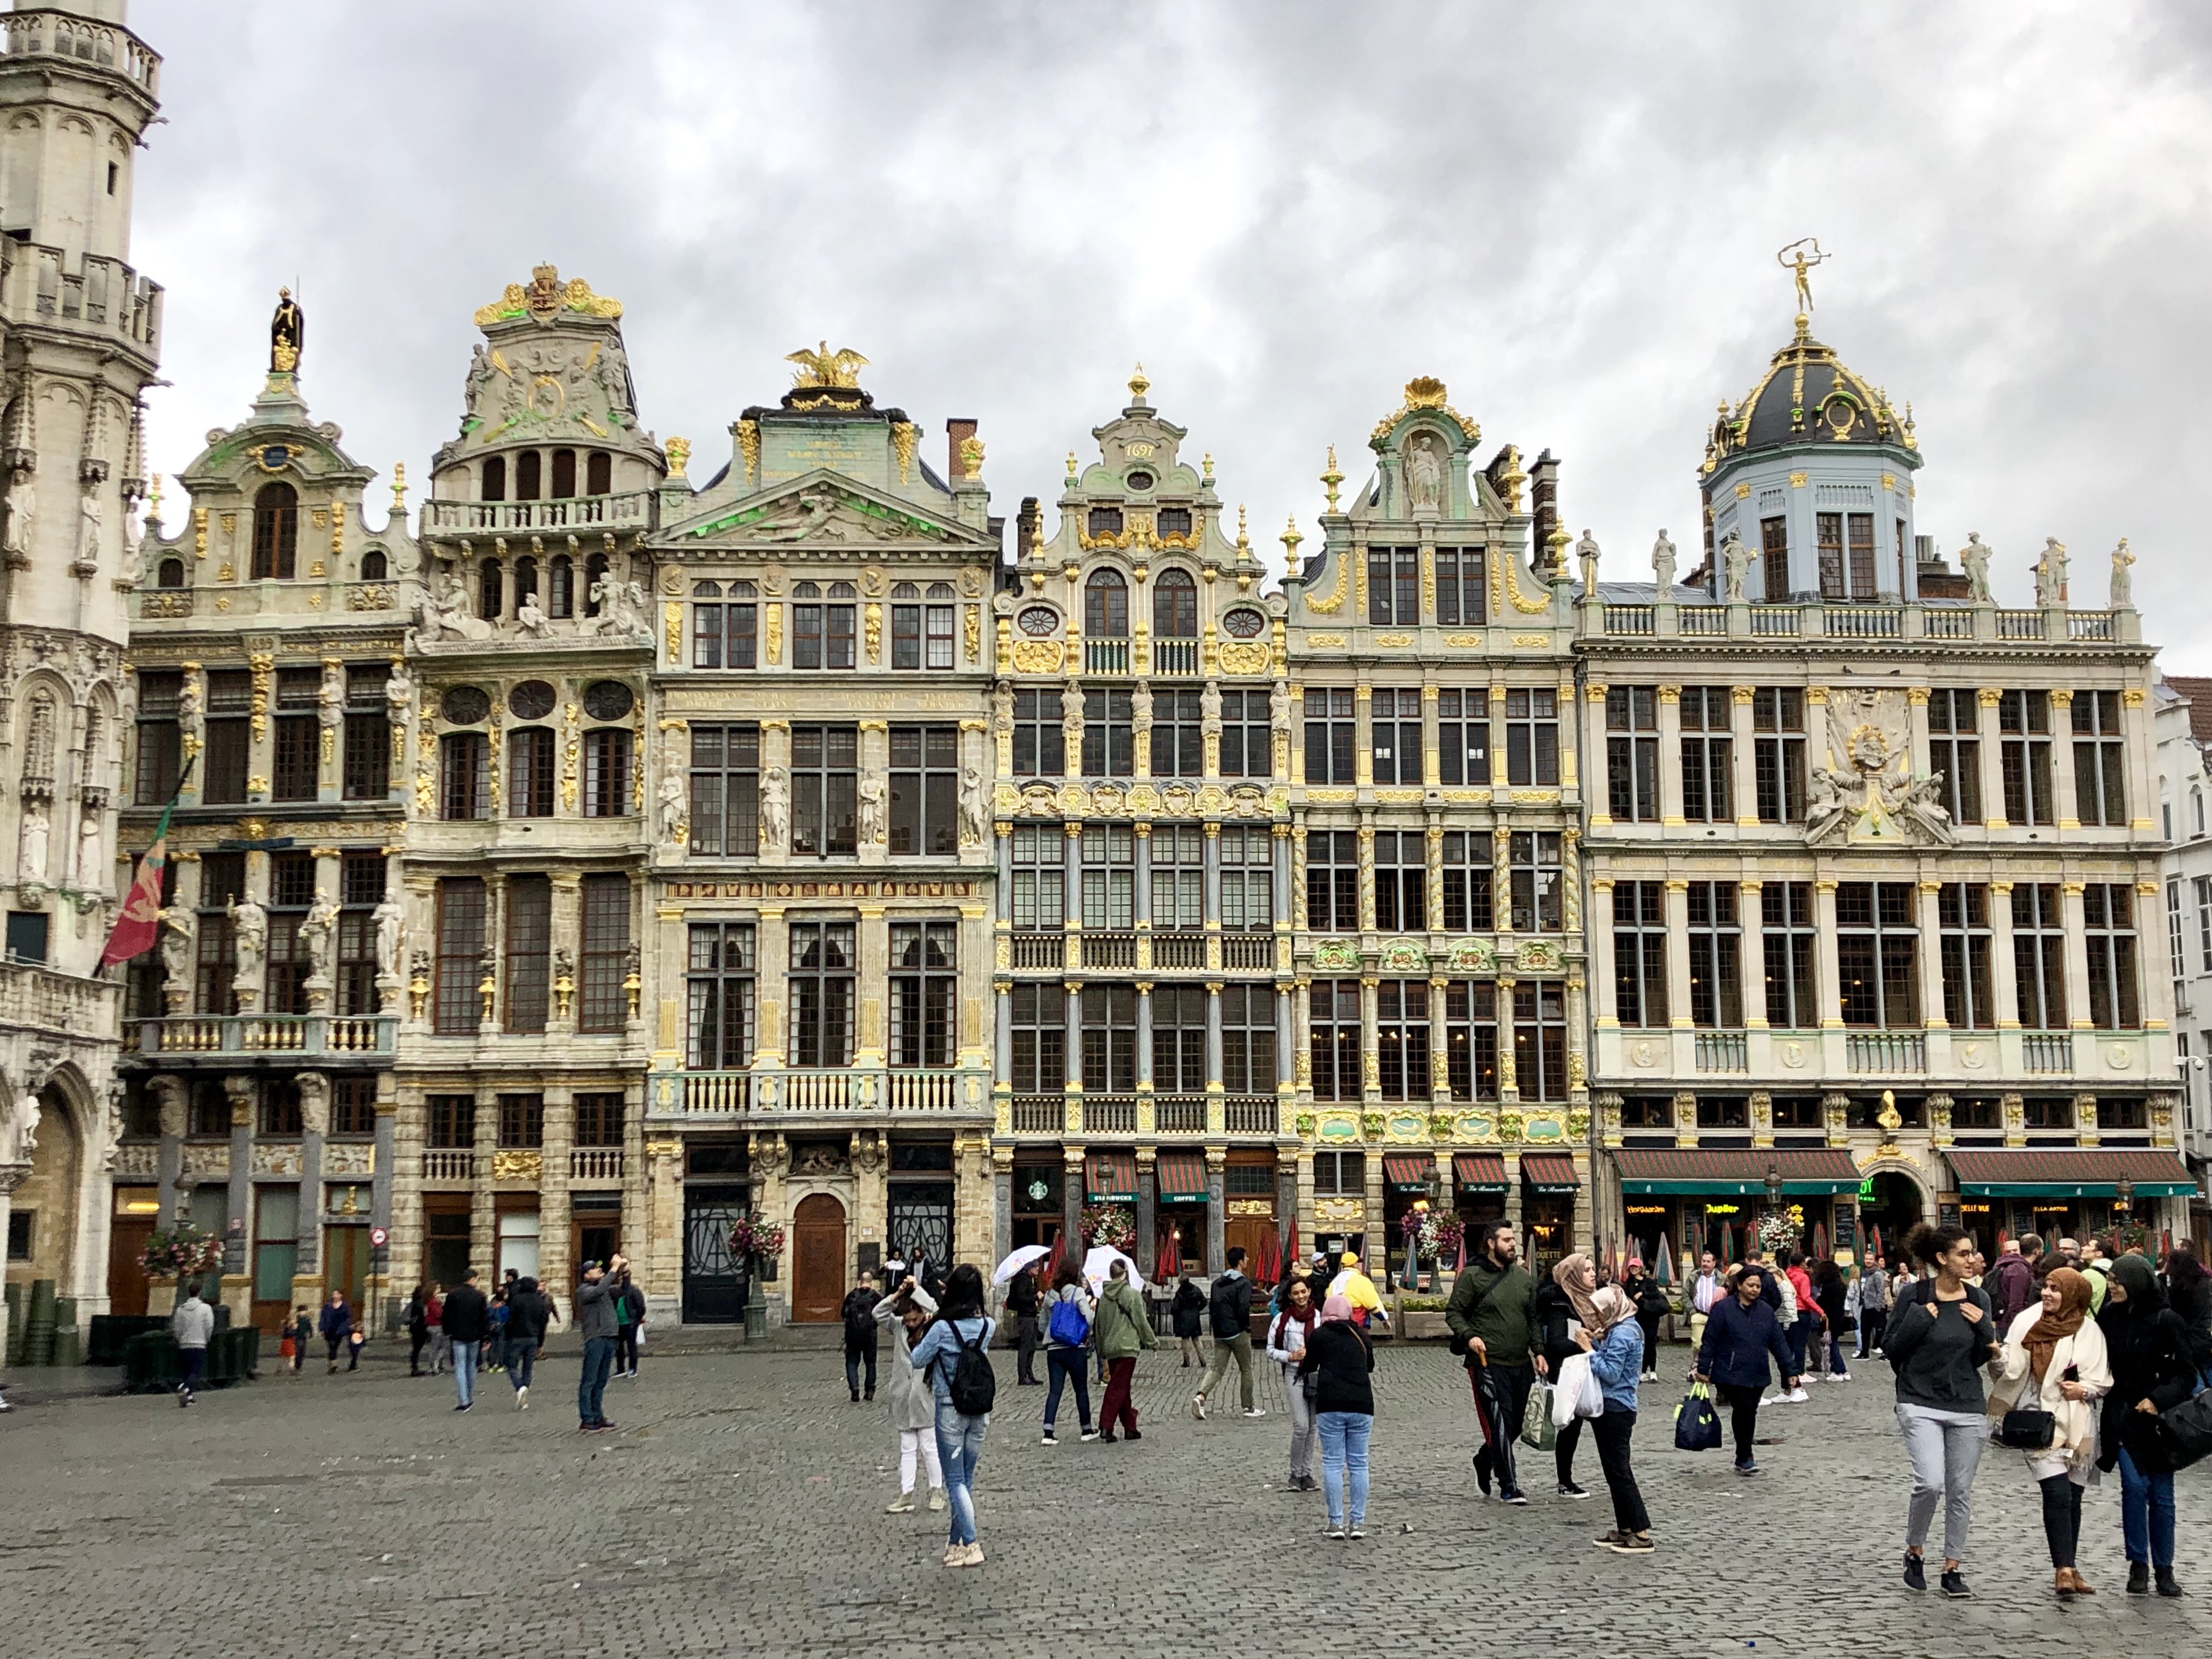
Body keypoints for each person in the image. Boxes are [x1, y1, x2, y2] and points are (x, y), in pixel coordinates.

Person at [1887, 1223, 2000, 1598]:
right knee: (1930, 1482)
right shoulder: (1914, 1294)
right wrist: (1919, 1320)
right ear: (1942, 1258)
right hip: (1919, 1400)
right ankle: (1915, 1550)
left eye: (1972, 1253)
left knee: (1960, 1490)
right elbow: (1892, 1348)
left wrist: (1985, 1329)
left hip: (1966, 1403)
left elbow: (1983, 1356)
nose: (1972, 1260)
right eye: (1963, 1254)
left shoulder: (1978, 1298)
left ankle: (1952, 1567)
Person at [1988, 1266, 2110, 1598]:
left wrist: (2084, 1389)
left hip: (2079, 1423)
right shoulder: (2027, 1321)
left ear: (2072, 1295)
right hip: (2039, 1420)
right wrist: (1997, 1356)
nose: (2047, 1293)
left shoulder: (2089, 1331)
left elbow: (2100, 1379)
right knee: (2056, 1493)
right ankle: (2062, 1569)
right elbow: (2011, 1367)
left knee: (2074, 1498)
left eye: (2056, 1289)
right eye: (2046, 1287)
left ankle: (2070, 1565)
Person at [2097, 1252, 2196, 1597]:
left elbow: (2186, 1374)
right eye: (2110, 1280)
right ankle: (2138, 1563)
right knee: (2135, 1489)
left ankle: (2165, 1569)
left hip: (2158, 1421)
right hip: (2123, 1415)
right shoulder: (2109, 1316)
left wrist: (2157, 1399)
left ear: (2136, 1283)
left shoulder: (2167, 1320)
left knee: (2162, 1497)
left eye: (2118, 1281)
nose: (2112, 1287)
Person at [908, 1263, 996, 1568]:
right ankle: (955, 1544)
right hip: (979, 1410)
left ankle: (971, 1543)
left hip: (950, 1409)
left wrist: (925, 1330)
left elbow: (917, 1360)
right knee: (965, 1481)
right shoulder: (988, 1326)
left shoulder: (943, 1329)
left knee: (955, 1480)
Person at [1446, 1221, 1538, 1504]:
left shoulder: (1523, 1277)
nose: (1513, 1244)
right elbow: (1454, 1312)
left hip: (1521, 1363)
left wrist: (1540, 1351)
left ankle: (1484, 1459)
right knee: (1500, 1422)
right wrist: (1469, 1335)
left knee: (1516, 1424)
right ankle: (1509, 1485)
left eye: (1514, 1239)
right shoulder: (1472, 1276)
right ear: (1491, 1244)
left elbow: (1533, 1318)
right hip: (1487, 1362)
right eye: (1507, 1240)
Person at [1696, 1265, 1798, 1475]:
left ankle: (1743, 1453)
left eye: (1758, 1286)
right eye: (1751, 1285)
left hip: (1758, 1371)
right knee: (1743, 1410)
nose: (1755, 1289)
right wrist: (1703, 1368)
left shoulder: (1766, 1311)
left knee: (1750, 1411)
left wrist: (1789, 1371)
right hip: (1731, 1371)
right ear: (1740, 1285)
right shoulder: (1723, 1309)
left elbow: (1778, 1343)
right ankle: (1745, 1456)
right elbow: (1710, 1340)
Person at [1579, 1283, 1653, 1553]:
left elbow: (1611, 1373)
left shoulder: (1623, 1333)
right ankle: (1626, 1528)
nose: (1598, 1317)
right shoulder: (1622, 1328)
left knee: (1620, 1472)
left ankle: (1641, 1533)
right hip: (1615, 1406)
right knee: (1614, 1472)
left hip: (1616, 1408)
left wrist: (1588, 1350)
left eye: (1601, 1311)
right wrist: (1597, 1342)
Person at [1296, 1294, 1375, 1540]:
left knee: (1332, 1463)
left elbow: (1309, 1365)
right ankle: (1358, 1523)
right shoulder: (1362, 1336)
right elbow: (1370, 1366)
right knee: (1359, 1463)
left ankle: (1336, 1523)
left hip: (1330, 1404)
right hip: (1362, 1404)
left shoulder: (1319, 1336)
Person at [875, 1274, 946, 1514]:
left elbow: (938, 1311)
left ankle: (937, 1491)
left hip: (925, 1396)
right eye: (906, 1320)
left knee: (930, 1447)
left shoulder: (933, 1328)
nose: (910, 1323)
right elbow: (878, 1314)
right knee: (907, 1448)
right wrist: (896, 1296)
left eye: (914, 1319)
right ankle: (906, 1494)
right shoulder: (898, 1328)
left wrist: (917, 1291)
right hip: (902, 1397)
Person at [1534, 1256, 1593, 1498]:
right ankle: (1565, 1481)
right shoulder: (1558, 1302)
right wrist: (1587, 1345)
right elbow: (1556, 1342)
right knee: (1571, 1426)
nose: (1593, 1274)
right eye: (1586, 1270)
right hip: (1567, 1372)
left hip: (1588, 1369)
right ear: (1573, 1276)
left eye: (1592, 1269)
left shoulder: (1589, 1298)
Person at [1266, 1275, 1321, 1492]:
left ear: (1309, 1292)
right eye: (1296, 1293)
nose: (1301, 1296)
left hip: (1315, 1375)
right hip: (1294, 1374)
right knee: (1301, 1426)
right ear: (1290, 1296)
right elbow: (1270, 1350)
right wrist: (1290, 1356)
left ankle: (1306, 1474)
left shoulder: (1319, 1318)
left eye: (1303, 1292)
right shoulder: (1282, 1320)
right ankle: (1294, 1474)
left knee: (1313, 1427)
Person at [1093, 1256, 1156, 1440]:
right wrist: (1152, 1342)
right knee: (1118, 1387)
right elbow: (1141, 1322)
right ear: (1126, 1272)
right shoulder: (1132, 1295)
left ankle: (1130, 1428)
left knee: (1122, 1387)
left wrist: (1101, 1348)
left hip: (1110, 1348)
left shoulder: (1104, 1297)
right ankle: (1106, 1426)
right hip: (1127, 1348)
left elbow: (1099, 1325)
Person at [1194, 1246, 1259, 1420]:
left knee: (1216, 1369)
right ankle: (1248, 1407)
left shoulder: (1216, 1283)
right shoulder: (1244, 1283)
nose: (1247, 1260)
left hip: (1220, 1332)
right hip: (1237, 1332)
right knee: (1246, 1369)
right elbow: (1243, 1308)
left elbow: (1213, 1307)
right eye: (1246, 1257)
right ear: (1240, 1262)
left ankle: (1200, 1396)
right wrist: (1245, 1327)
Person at [1038, 1261, 1095, 1444]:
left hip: (1054, 1349)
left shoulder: (1049, 1295)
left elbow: (1042, 1325)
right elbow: (1088, 1318)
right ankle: (1086, 1429)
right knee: (1081, 1390)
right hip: (1075, 1348)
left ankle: (1048, 1431)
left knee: (1055, 1391)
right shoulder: (1078, 1293)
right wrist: (1085, 1330)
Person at [574, 1257, 622, 1433]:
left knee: (601, 1380)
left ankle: (598, 1416)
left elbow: (624, 1290)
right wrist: (613, 1269)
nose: (599, 1270)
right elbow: (599, 1291)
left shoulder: (605, 1289)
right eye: (595, 1269)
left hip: (609, 1336)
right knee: (590, 1380)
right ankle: (587, 1418)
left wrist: (625, 1272)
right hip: (595, 1338)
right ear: (586, 1275)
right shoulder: (583, 1291)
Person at [2163, 1245, 2212, 1390]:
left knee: (2195, 1386)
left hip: (2188, 1345)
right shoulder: (2206, 1284)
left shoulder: (2177, 1292)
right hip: (2206, 1341)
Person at [441, 1270, 489, 1412]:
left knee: (460, 1366)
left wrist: (447, 1330)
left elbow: (446, 1315)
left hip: (458, 1335)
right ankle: (469, 1396)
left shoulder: (453, 1295)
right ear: (473, 1279)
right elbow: (483, 1318)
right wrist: (485, 1336)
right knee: (472, 1365)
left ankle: (464, 1400)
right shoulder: (479, 1296)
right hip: (475, 1335)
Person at [504, 1274, 552, 1408]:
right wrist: (541, 1342)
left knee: (511, 1365)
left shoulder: (517, 1300)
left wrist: (507, 1336)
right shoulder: (539, 1301)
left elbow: (510, 1320)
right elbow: (543, 1322)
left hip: (517, 1336)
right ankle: (524, 1391)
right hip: (533, 1337)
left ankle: (520, 1387)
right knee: (528, 1366)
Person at [1620, 1256, 1666, 1383]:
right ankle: (1642, 1370)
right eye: (1631, 1267)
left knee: (1651, 1344)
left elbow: (1656, 1294)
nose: (1633, 1269)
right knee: (1640, 1344)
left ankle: (1653, 1370)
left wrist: (1643, 1293)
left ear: (1641, 1268)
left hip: (1651, 1317)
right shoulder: (1628, 1283)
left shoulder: (1649, 1282)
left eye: (1635, 1267)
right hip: (1637, 1318)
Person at [170, 1280, 214, 1407]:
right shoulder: (205, 1309)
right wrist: (206, 1339)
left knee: (185, 1371)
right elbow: (209, 1326)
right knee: (195, 1372)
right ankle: (184, 1388)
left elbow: (177, 1327)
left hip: (184, 1344)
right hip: (199, 1343)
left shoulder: (181, 1309)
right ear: (200, 1293)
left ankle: (188, 1397)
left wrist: (180, 1339)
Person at [841, 1269, 880, 1403]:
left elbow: (843, 1314)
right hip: (870, 1336)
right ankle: (870, 1391)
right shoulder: (876, 1297)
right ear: (871, 1283)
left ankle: (854, 1388)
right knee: (871, 1363)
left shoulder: (852, 1296)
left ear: (860, 1282)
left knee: (852, 1362)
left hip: (853, 1336)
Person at [1811, 1258, 1852, 1380]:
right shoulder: (1842, 1285)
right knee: (1833, 1343)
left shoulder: (1828, 1287)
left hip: (1829, 1319)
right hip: (1839, 1317)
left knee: (1831, 1345)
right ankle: (1840, 1370)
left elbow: (1822, 1302)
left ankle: (1839, 1370)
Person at [1329, 1249, 1387, 1329]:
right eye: (1359, 1263)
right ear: (1355, 1264)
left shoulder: (1334, 1282)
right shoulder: (1361, 1280)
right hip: (1357, 1323)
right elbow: (1373, 1303)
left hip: (1336, 1324)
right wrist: (1384, 1319)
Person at [1005, 1263, 1042, 1386]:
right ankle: (1023, 1376)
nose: (1038, 1268)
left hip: (1031, 1315)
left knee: (1032, 1346)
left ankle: (1029, 1374)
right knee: (1025, 1346)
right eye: (1035, 1266)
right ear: (1029, 1268)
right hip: (1025, 1316)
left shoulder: (1031, 1280)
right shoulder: (1022, 1280)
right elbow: (1022, 1298)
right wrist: (1035, 1297)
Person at [1991, 1237, 2038, 1327]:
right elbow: (2016, 1303)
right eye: (2009, 1251)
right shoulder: (2017, 1269)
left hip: (2002, 1319)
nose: (2012, 1253)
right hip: (2013, 1322)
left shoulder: (2000, 1267)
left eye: (2015, 1250)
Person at [614, 1265, 647, 1382]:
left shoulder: (634, 1291)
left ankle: (633, 1368)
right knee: (619, 1348)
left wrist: (636, 1320)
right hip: (619, 1323)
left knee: (631, 1347)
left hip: (630, 1323)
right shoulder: (617, 1291)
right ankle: (621, 1369)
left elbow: (641, 1308)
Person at [1688, 1251, 1725, 1356]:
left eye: (1708, 1261)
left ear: (1714, 1263)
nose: (1705, 1264)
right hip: (1699, 1314)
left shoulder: (1722, 1278)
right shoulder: (1694, 1277)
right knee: (1697, 1345)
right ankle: (1697, 1364)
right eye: (1703, 1261)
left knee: (1716, 1344)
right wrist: (1692, 1311)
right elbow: (1686, 1294)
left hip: (1716, 1317)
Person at [1856, 1258, 1891, 1360]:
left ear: (1874, 1261)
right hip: (1865, 1305)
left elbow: (1881, 1290)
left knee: (1880, 1330)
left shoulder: (1878, 1274)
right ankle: (1864, 1353)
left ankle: (1886, 1353)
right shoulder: (1864, 1274)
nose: (1868, 1261)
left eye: (1871, 1259)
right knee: (1865, 1331)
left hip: (1875, 1306)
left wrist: (1878, 1306)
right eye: (1866, 1259)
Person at [1171, 1273, 1206, 1367]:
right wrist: (1197, 1310)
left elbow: (1175, 1307)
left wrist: (1175, 1312)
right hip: (1194, 1317)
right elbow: (1204, 1302)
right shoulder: (1196, 1290)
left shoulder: (1180, 1293)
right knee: (1196, 1339)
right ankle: (1202, 1360)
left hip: (1183, 1318)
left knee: (1185, 1340)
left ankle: (1186, 1361)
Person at [319, 1290, 351, 1376]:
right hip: (328, 1329)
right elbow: (323, 1317)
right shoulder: (327, 1306)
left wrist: (344, 1328)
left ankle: (333, 1363)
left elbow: (347, 1318)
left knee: (335, 1346)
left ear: (341, 1295)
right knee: (331, 1346)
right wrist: (322, 1328)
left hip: (339, 1330)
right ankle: (333, 1364)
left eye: (337, 1294)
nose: (335, 1296)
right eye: (334, 1294)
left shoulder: (344, 1307)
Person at [405, 1287, 432, 1377]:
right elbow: (425, 1315)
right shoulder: (421, 1304)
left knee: (416, 1348)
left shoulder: (415, 1302)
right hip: (420, 1327)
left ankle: (414, 1367)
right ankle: (415, 1368)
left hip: (414, 1327)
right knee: (417, 1348)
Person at [425, 1283, 449, 1375]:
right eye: (438, 1288)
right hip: (436, 1325)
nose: (440, 1289)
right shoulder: (434, 1302)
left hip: (431, 1325)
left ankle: (433, 1366)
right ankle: (435, 1364)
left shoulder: (429, 1300)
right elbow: (438, 1314)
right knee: (443, 1346)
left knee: (435, 1347)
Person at [289, 1305, 312, 1376]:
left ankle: (299, 1367)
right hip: (298, 1337)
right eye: (304, 1311)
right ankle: (296, 1368)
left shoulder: (306, 1319)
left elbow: (309, 1327)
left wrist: (311, 1334)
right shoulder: (297, 1319)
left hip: (303, 1337)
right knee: (298, 1353)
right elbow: (292, 1328)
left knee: (302, 1352)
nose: (305, 1312)